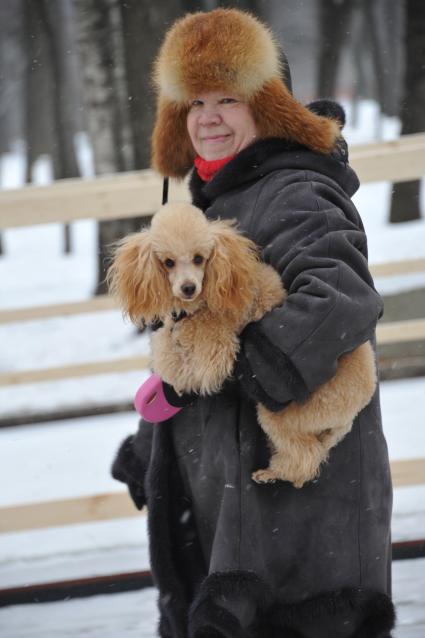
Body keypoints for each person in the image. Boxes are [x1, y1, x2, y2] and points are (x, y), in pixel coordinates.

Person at [111, 8, 394, 637]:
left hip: (299, 524)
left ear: (267, 107)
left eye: (228, 99)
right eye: (194, 102)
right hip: (240, 512)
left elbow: (340, 297)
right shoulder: (218, 203)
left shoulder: (295, 190)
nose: (207, 117)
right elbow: (192, 335)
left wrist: (243, 365)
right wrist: (151, 445)